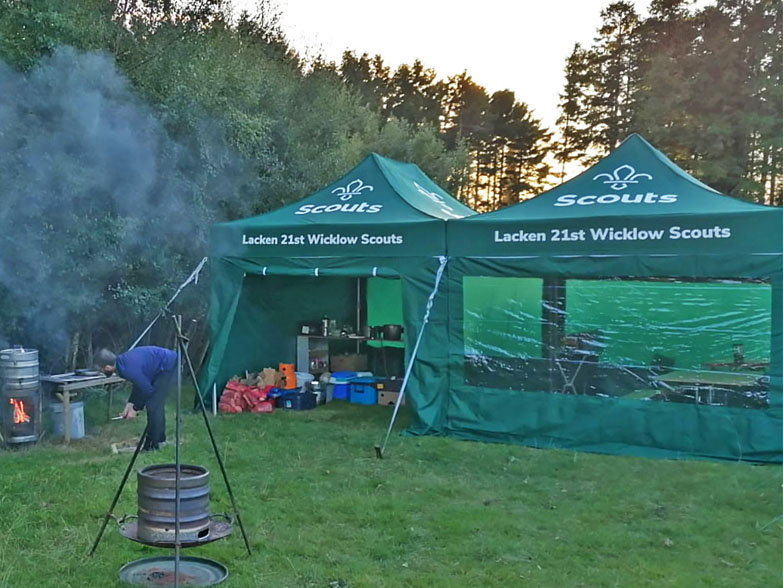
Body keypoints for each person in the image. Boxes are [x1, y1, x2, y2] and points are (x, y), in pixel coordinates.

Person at [96, 346, 178, 451]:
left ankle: (155, 444)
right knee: (155, 405)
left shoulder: (127, 368)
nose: (101, 372)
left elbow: (147, 390)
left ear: (108, 367)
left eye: (101, 369)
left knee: (153, 406)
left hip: (169, 366)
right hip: (161, 367)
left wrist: (135, 409)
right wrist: (130, 404)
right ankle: (157, 441)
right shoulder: (122, 363)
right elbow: (139, 384)